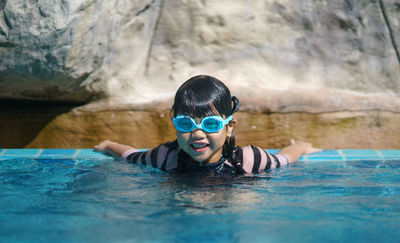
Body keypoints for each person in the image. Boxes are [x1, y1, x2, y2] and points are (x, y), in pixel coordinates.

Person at [94, 75, 321, 174]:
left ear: (229, 127)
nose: (197, 133)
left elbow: (284, 158)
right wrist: (108, 145)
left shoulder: (249, 160)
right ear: (175, 125)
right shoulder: (165, 156)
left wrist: (300, 146)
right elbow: (132, 155)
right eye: (186, 123)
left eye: (211, 124)